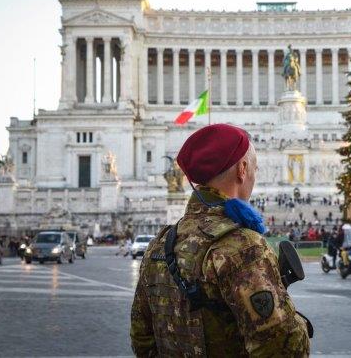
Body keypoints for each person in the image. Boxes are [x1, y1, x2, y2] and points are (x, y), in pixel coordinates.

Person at [130, 124, 310, 356]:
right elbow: (285, 349)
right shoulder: (244, 247)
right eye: (255, 168)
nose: (254, 176)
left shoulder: (159, 244)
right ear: (242, 170)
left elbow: (141, 339)